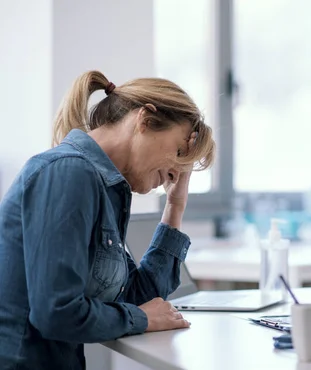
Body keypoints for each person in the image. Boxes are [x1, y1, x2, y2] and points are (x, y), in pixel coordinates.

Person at [0, 70, 215, 368]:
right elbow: (56, 312)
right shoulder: (69, 173)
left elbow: (138, 299)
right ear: (144, 120)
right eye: (178, 152)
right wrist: (141, 318)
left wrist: (175, 205)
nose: (176, 171)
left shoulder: (104, 186)